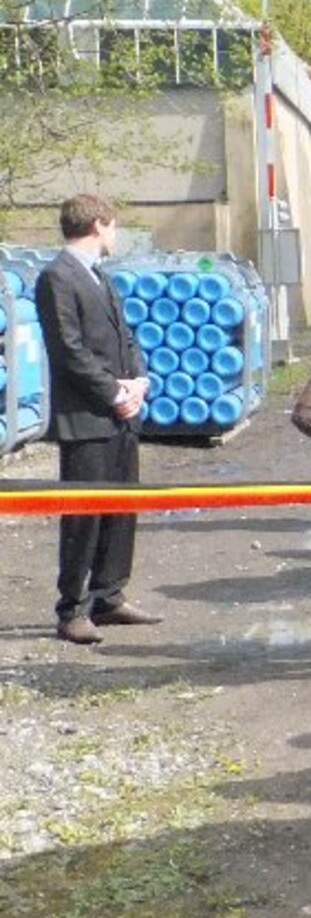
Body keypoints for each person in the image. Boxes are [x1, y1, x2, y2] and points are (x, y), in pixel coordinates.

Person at [36, 192, 154, 645]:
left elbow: (124, 338)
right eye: (114, 226)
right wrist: (112, 393)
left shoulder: (100, 276)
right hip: (87, 418)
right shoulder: (57, 277)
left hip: (121, 414)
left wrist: (137, 381)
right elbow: (68, 351)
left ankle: (109, 595)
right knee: (83, 513)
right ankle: (71, 609)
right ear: (100, 225)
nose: (116, 234)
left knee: (121, 508)